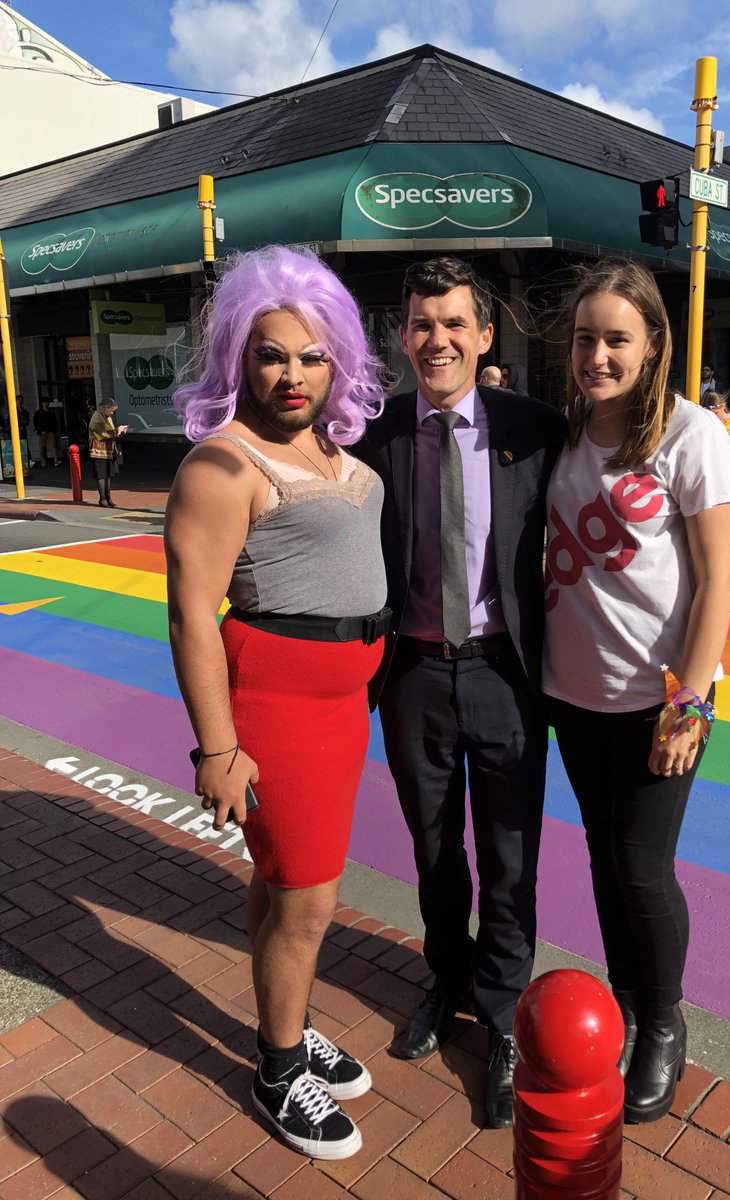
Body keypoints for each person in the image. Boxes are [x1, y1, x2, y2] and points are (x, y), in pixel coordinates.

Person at [165, 245, 389, 1160]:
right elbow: (191, 613)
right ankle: (278, 1066)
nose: (292, 374)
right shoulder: (223, 465)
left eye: (311, 356)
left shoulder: (328, 447)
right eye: (270, 355)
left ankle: (282, 1022)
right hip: (277, 705)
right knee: (309, 898)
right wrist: (217, 749)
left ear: (338, 361)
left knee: (279, 881)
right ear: (237, 355)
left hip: (343, 704)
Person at [354, 256, 566, 1128]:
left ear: (484, 336)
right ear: (403, 337)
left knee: (510, 860)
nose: (436, 339)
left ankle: (504, 1011)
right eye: (420, 324)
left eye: (453, 324)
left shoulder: (537, 429)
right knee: (435, 851)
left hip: (504, 673)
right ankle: (447, 980)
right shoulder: (372, 434)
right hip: (410, 674)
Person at [542, 260, 730, 1125]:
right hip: (574, 695)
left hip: (661, 702)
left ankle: (662, 1021)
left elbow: (718, 580)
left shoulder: (691, 436)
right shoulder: (568, 431)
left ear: (653, 343)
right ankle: (626, 1000)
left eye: (616, 340)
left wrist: (691, 702)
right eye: (586, 339)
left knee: (641, 869)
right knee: (601, 856)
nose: (598, 356)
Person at [88, 400, 128, 505]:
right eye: (111, 410)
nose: (112, 412)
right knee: (101, 475)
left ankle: (108, 498)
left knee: (108, 475)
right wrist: (117, 431)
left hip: (108, 450)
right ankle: (103, 499)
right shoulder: (96, 418)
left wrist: (120, 432)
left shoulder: (107, 417)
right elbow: (102, 434)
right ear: (105, 408)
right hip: (98, 451)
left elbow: (111, 434)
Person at [702, 391, 730, 476]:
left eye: (716, 413)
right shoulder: (706, 423)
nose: (714, 417)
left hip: (728, 467)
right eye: (710, 414)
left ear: (723, 406)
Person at [34, 398, 62, 466]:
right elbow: (36, 422)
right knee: (42, 447)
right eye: (44, 402)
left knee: (53, 445)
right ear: (42, 403)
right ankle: (43, 461)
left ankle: (55, 460)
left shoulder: (51, 413)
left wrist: (56, 432)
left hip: (50, 431)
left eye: (47, 402)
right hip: (41, 432)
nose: (46, 404)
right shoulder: (38, 413)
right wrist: (40, 431)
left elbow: (55, 422)